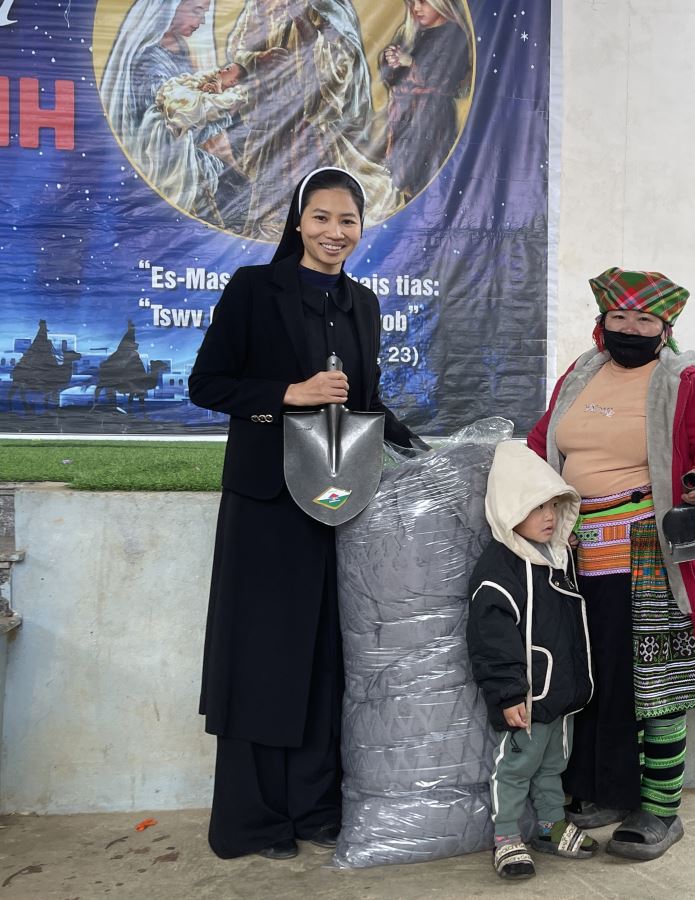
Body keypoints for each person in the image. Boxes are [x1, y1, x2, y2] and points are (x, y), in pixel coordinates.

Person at [189, 166, 417, 860]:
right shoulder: (253, 289)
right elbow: (208, 384)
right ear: (298, 222)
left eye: (348, 220)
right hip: (266, 505)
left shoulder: (363, 305)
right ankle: (255, 821)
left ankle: (315, 810)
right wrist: (290, 392)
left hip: (336, 503)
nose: (334, 232)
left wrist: (434, 455)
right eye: (321, 218)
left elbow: (367, 405)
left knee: (325, 657)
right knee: (263, 657)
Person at [527, 267, 695, 860]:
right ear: (603, 322)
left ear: (665, 327)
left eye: (644, 319)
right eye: (619, 317)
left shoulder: (683, 381)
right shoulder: (580, 374)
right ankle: (606, 792)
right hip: (575, 552)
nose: (630, 328)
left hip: (650, 556)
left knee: (656, 684)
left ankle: (660, 810)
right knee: (595, 680)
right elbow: (543, 442)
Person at [466, 441, 597, 879]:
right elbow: (490, 641)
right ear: (509, 509)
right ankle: (506, 836)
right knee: (516, 766)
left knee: (553, 764)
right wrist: (507, 694)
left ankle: (550, 824)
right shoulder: (498, 570)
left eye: (554, 505)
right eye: (536, 506)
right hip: (526, 696)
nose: (549, 516)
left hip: (560, 693)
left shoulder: (555, 557)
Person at [225, 0, 395, 237]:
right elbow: (238, 51)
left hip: (314, 121)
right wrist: (259, 59)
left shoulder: (326, 5)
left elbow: (341, 59)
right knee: (271, 206)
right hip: (273, 116)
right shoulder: (259, 4)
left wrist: (302, 21)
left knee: (319, 194)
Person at [99, 0, 241, 225]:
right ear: (170, 7)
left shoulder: (179, 46)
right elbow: (173, 128)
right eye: (196, 11)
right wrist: (218, 114)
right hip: (162, 160)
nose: (202, 21)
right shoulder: (149, 62)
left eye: (205, 13)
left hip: (184, 149)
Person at [379, 0, 471, 198]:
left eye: (422, 1)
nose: (416, 8)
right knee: (403, 183)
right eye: (412, 2)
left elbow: (446, 80)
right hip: (404, 121)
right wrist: (391, 60)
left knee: (429, 183)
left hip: (433, 122)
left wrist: (411, 62)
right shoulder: (410, 33)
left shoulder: (454, 35)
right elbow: (391, 79)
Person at [154, 63, 248, 140]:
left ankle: (176, 121)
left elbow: (221, 101)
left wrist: (218, 91)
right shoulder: (213, 77)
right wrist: (204, 87)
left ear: (232, 82)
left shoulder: (231, 94)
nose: (221, 70)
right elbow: (199, 84)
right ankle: (170, 111)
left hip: (203, 102)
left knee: (194, 103)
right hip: (197, 94)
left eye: (227, 69)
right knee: (182, 93)